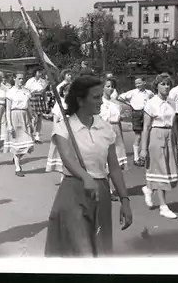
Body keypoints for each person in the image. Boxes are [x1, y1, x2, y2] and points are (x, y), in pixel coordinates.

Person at [45, 74, 132, 257]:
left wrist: (125, 201)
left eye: (101, 96)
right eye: (95, 97)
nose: (101, 101)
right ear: (80, 100)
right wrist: (85, 177)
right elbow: (67, 158)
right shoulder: (65, 126)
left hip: (101, 191)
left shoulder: (106, 128)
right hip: (73, 189)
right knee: (80, 251)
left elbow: (114, 168)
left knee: (99, 248)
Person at [140, 73, 178, 219]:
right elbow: (146, 127)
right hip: (156, 137)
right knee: (161, 171)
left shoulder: (171, 103)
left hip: (169, 137)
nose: (166, 86)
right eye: (163, 84)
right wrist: (143, 149)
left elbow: (174, 125)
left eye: (168, 84)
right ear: (156, 86)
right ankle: (163, 206)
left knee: (167, 169)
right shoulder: (151, 103)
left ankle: (149, 188)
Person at [100, 77, 129, 201]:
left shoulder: (116, 103)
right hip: (103, 130)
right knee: (104, 162)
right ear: (102, 87)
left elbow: (118, 120)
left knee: (114, 163)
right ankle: (106, 190)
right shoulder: (99, 102)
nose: (110, 89)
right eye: (107, 86)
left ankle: (111, 188)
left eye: (112, 86)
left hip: (115, 130)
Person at [117, 77, 154, 167]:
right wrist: (130, 104)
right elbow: (120, 97)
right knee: (138, 136)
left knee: (148, 134)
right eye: (136, 83)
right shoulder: (133, 92)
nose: (137, 85)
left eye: (139, 83)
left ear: (144, 82)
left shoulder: (149, 93)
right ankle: (136, 158)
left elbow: (153, 99)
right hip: (137, 114)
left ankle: (146, 156)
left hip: (146, 113)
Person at [4, 72, 35, 177]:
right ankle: (18, 167)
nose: (22, 80)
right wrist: (9, 124)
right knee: (17, 143)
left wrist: (31, 118)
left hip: (25, 116)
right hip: (15, 116)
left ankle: (16, 157)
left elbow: (28, 106)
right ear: (14, 79)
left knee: (29, 143)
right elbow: (8, 109)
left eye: (23, 78)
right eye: (19, 78)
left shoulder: (26, 91)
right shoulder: (10, 92)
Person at [45, 83, 70, 185]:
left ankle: (68, 175)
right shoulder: (59, 104)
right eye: (68, 91)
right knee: (62, 153)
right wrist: (56, 132)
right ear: (64, 92)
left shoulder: (74, 103)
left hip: (72, 130)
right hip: (62, 129)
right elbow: (55, 121)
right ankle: (62, 176)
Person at [25, 67, 48, 143]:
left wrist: (46, 102)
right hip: (32, 99)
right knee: (33, 118)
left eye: (41, 72)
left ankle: (37, 136)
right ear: (35, 72)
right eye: (39, 72)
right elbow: (26, 91)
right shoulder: (30, 81)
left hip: (40, 100)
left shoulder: (42, 82)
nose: (40, 74)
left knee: (40, 118)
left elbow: (44, 92)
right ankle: (30, 134)